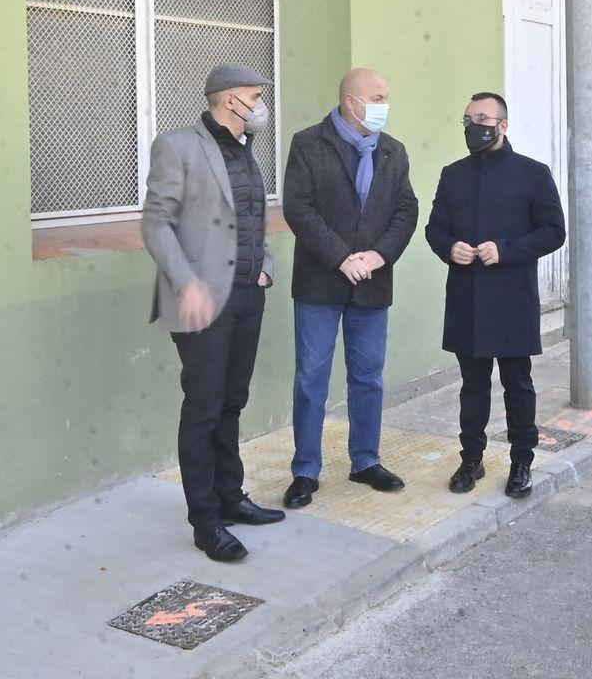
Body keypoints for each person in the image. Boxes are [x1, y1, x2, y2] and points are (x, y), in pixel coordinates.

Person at [142, 63, 284, 562]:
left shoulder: (247, 148)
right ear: (228, 99)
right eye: (255, 96)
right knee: (203, 408)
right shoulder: (178, 145)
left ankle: (230, 498)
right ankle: (205, 521)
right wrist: (187, 284)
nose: (261, 105)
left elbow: (253, 218)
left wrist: (265, 267)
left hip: (248, 294)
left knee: (232, 401)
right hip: (201, 300)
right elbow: (156, 224)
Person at [280, 68, 419, 508]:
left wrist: (379, 255)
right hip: (320, 283)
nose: (384, 106)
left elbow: (406, 209)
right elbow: (298, 209)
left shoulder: (392, 151)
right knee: (311, 379)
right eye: (377, 98)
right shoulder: (308, 144)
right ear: (350, 101)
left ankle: (365, 461)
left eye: (386, 97)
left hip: (372, 284)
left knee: (368, 377)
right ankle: (305, 470)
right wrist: (342, 257)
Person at [425, 92, 565, 499]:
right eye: (468, 120)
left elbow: (553, 232)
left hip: (512, 298)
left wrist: (505, 250)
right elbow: (435, 228)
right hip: (466, 296)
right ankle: (471, 458)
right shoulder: (453, 174)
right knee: (472, 386)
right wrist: (449, 247)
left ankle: (522, 461)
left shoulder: (533, 173)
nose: (474, 127)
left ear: (502, 125)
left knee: (517, 383)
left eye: (483, 119)